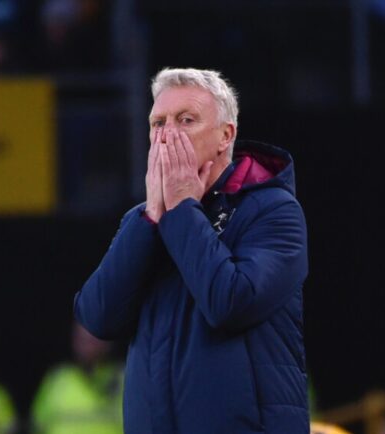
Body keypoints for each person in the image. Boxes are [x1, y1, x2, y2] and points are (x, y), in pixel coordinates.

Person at [74, 67, 309, 433]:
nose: (168, 135)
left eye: (186, 120)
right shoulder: (144, 220)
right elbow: (97, 317)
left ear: (225, 136)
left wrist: (182, 207)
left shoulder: (273, 209)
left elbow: (230, 303)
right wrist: (152, 218)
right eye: (158, 123)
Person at [30, 321, 122, 434]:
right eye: (82, 338)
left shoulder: (123, 379)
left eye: (92, 339)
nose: (87, 343)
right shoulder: (58, 380)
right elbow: (36, 425)